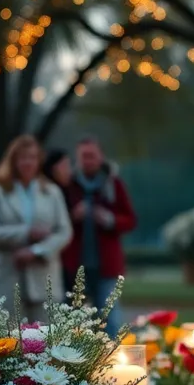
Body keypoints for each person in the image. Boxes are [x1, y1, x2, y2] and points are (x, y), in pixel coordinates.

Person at [0, 135, 72, 320]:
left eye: (32, 157)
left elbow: (64, 231)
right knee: (10, 343)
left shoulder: (51, 192)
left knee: (45, 343)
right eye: (23, 158)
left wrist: (37, 251)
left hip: (43, 277)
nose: (28, 163)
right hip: (7, 277)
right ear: (13, 161)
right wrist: (26, 233)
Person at [60, 138, 137, 333]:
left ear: (101, 156)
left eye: (92, 156)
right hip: (74, 265)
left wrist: (110, 220)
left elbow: (130, 220)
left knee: (110, 319)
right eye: (84, 156)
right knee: (72, 322)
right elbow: (56, 221)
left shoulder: (114, 184)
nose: (88, 161)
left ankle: (115, 361)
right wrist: (73, 216)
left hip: (106, 267)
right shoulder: (68, 185)